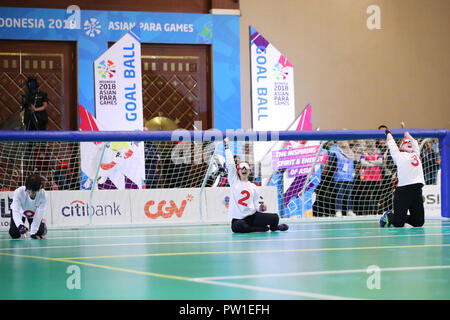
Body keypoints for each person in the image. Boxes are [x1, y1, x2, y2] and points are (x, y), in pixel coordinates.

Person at [224, 138, 288, 233]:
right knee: (240, 226)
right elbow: (230, 165)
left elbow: (257, 204)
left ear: (250, 171)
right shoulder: (234, 181)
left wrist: (261, 208)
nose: (244, 169)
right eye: (242, 168)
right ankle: (258, 228)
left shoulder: (253, 187)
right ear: (238, 171)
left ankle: (274, 228)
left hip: (252, 216)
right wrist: (227, 147)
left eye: (246, 168)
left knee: (275, 217)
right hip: (239, 219)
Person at [379, 126, 425, 228]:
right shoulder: (398, 155)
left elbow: (414, 142)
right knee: (398, 224)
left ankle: (398, 216)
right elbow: (391, 143)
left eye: (410, 143)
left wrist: (407, 135)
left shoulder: (416, 153)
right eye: (405, 143)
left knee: (418, 223)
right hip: (403, 191)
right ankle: (389, 215)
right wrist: (388, 132)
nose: (409, 143)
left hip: (417, 191)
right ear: (401, 147)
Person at [9, 173, 48, 239]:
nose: (31, 194)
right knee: (14, 234)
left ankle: (43, 226)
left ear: (40, 187)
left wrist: (33, 232)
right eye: (28, 191)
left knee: (39, 232)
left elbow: (39, 214)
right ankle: (22, 228)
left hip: (33, 214)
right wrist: (20, 226)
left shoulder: (43, 195)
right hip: (21, 213)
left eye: (33, 192)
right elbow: (15, 211)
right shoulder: (18, 192)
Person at [329, 140, 356, 217]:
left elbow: (353, 164)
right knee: (339, 194)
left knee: (349, 195)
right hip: (339, 177)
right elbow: (332, 165)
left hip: (349, 177)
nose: (345, 142)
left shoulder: (350, 152)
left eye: (346, 141)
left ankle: (350, 211)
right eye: (343, 140)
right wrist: (336, 171)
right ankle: (338, 211)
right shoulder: (335, 152)